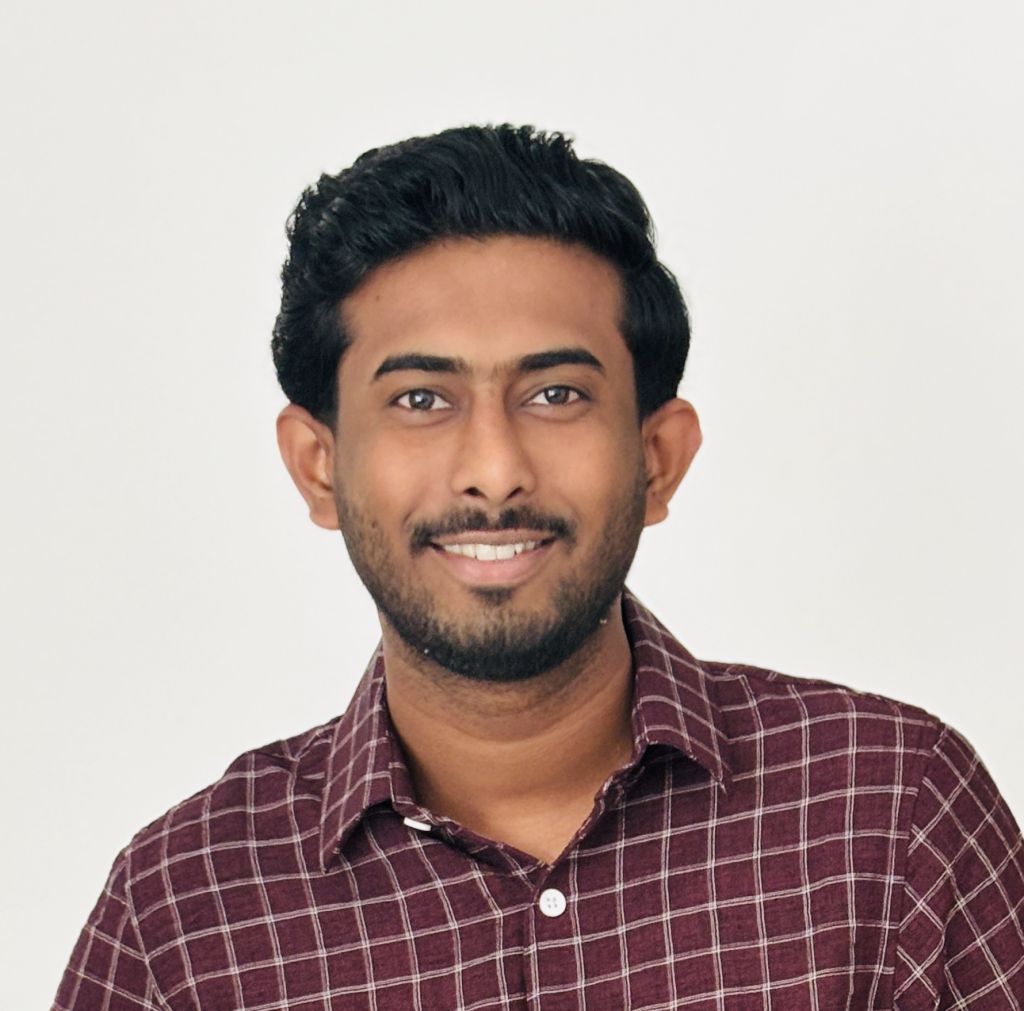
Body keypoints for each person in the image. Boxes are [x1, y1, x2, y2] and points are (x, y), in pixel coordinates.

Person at [54, 124, 1024, 1010]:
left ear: (656, 459)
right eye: (421, 399)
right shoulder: (183, 914)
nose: (493, 470)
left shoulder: (892, 811)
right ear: (319, 466)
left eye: (556, 393)